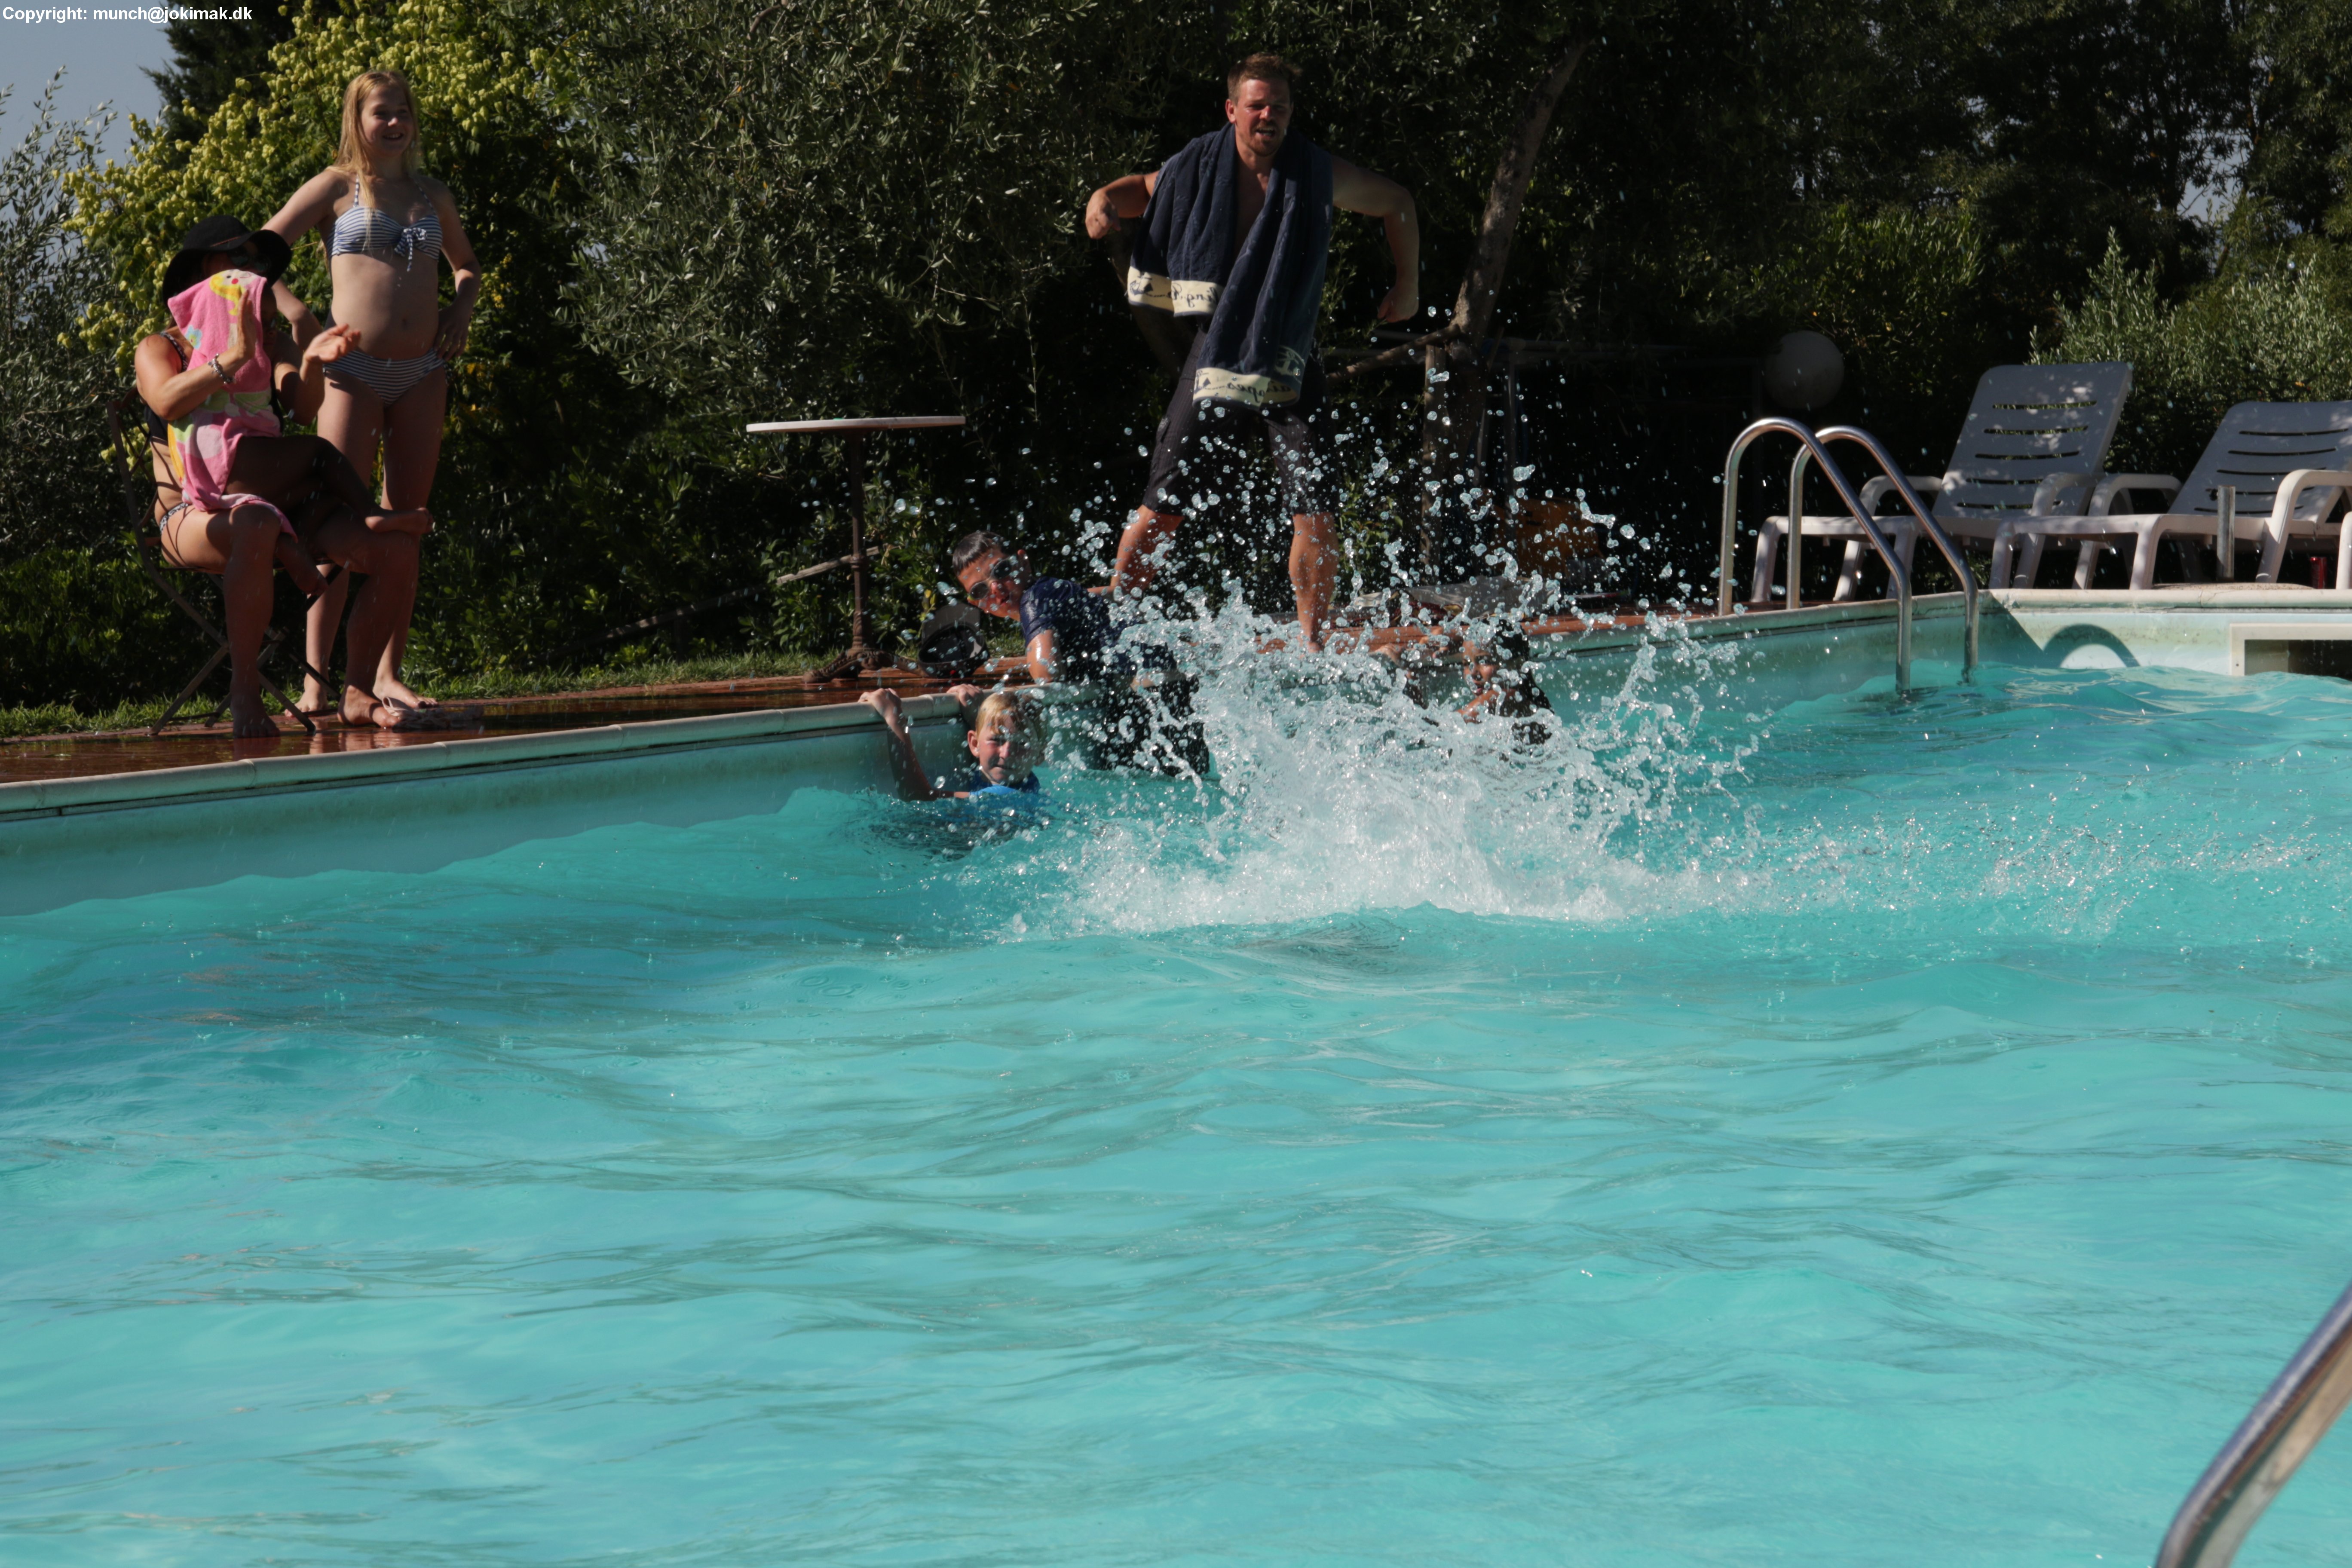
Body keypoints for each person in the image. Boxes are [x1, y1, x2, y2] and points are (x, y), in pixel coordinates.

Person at [1084, 53, 1418, 652]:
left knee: (1315, 511)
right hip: (1215, 352)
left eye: (1279, 107)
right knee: (1162, 505)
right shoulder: (1198, 167)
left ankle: (1314, 644)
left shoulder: (1314, 173)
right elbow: (1143, 189)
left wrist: (1408, 286)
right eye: (1257, 105)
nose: (1268, 116)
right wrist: (1104, 199)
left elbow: (1398, 202)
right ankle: (1116, 627)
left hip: (1288, 354)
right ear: (1232, 110)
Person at [135, 215, 436, 738]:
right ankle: (245, 691)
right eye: (238, 259)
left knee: (396, 551)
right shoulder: (162, 348)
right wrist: (232, 357)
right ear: (202, 272)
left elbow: (302, 406)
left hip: (281, 502)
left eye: (256, 262)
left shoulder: (271, 340)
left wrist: (313, 362)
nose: (252, 271)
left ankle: (358, 691)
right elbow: (165, 400)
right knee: (256, 524)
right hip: (190, 516)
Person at [265, 69, 481, 718]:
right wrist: (298, 315)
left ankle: (387, 676)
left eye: (404, 112)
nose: (395, 123)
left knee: (406, 524)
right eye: (382, 112)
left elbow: (467, 266)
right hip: (351, 372)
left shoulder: (432, 194)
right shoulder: (337, 187)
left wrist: (461, 308)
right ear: (356, 120)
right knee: (337, 525)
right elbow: (256, 256)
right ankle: (316, 684)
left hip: (423, 371)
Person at [949, 528, 1207, 775]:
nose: (996, 588)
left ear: (1023, 562)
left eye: (1002, 570)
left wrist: (987, 703)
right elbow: (1112, 595)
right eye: (981, 590)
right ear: (979, 604)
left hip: (1148, 701)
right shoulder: (1052, 590)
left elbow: (1047, 673)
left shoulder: (1034, 602)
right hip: (1172, 691)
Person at [859, 686, 1043, 801]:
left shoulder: (1005, 799)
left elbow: (918, 797)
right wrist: (975, 714)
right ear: (974, 743)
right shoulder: (1025, 780)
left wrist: (895, 720)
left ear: (1040, 754)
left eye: (1022, 744)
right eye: (997, 740)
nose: (1007, 753)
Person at [1458, 622, 1556, 748]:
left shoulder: (1509, 697)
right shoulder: (1532, 698)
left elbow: (1451, 723)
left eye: (1485, 661)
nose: (1472, 673)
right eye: (1467, 664)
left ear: (1518, 664)